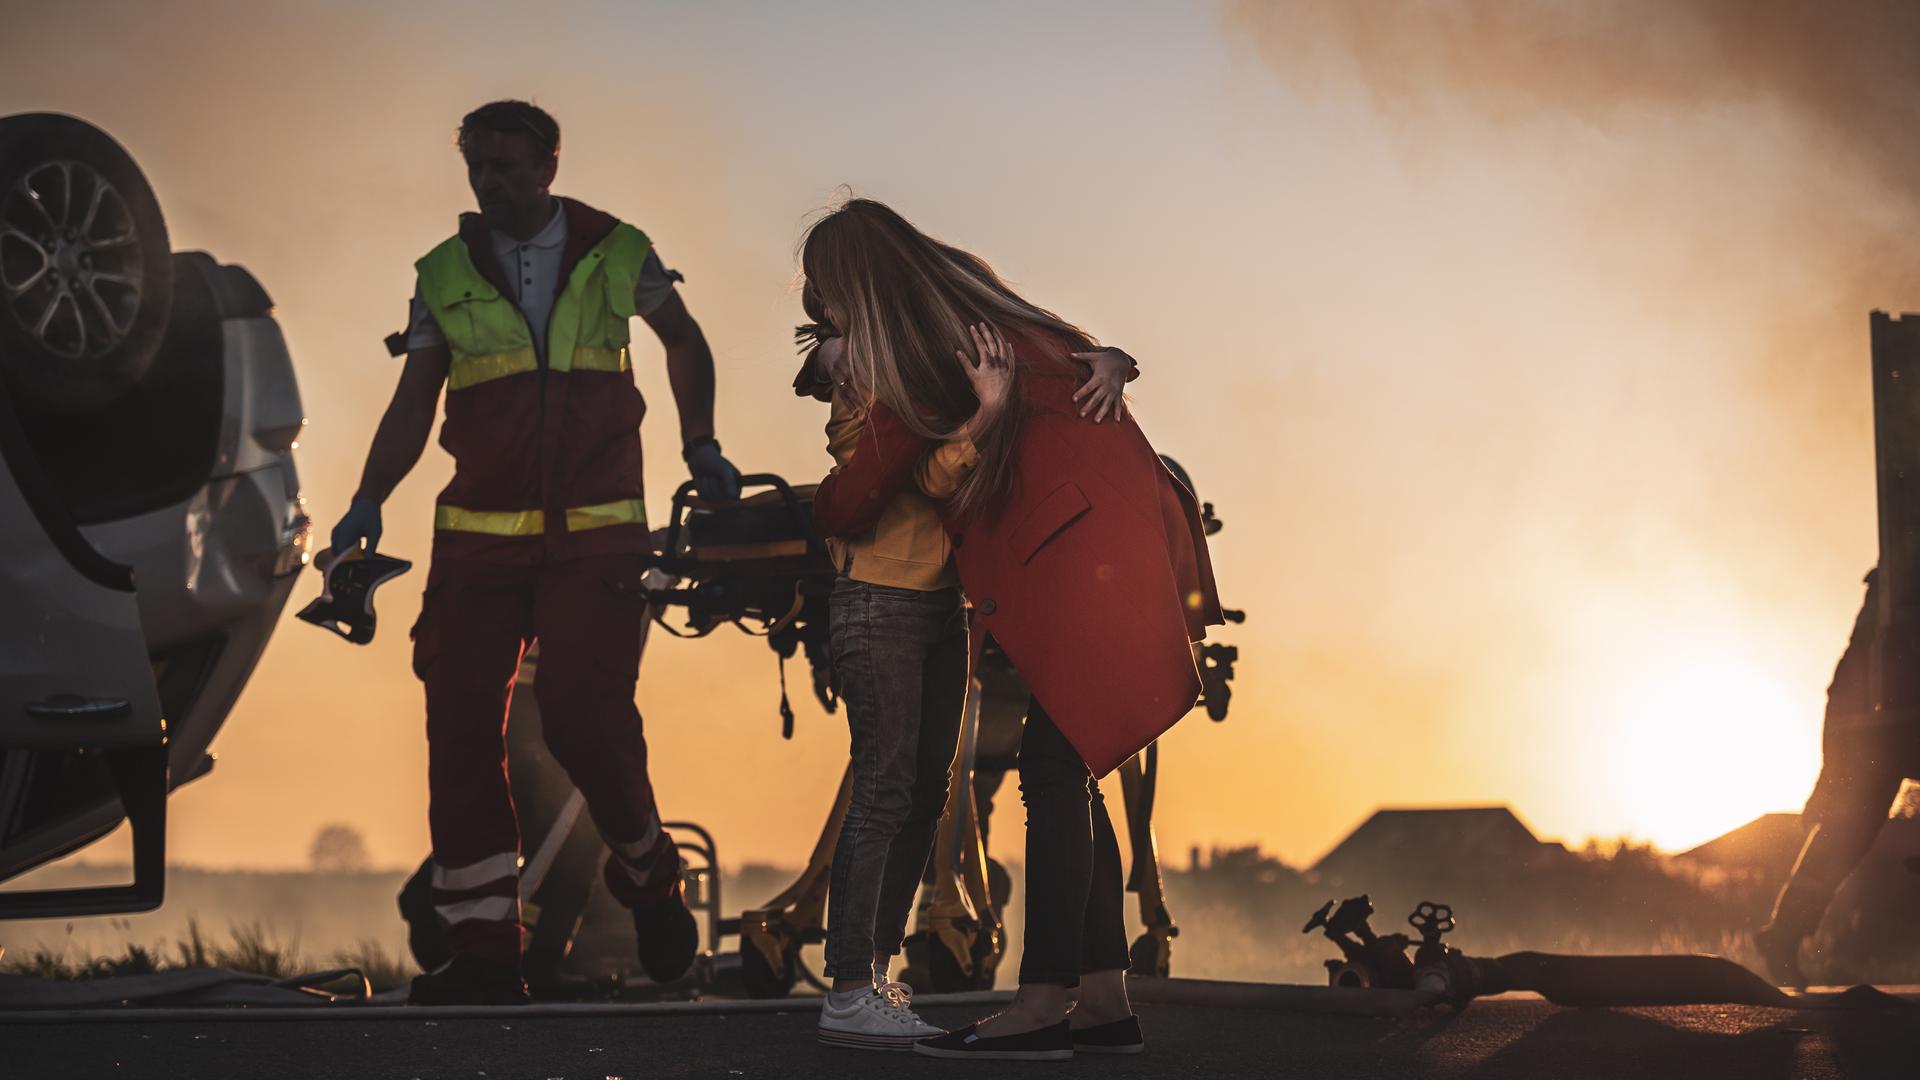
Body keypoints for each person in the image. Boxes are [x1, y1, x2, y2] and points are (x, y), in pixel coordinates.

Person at [330, 100, 742, 1005]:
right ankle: (483, 958)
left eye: (507, 168)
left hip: (596, 537)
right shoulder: (443, 273)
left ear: (550, 166)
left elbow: (684, 340)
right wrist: (366, 500)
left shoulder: (617, 249)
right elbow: (413, 401)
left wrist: (701, 444)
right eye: (476, 167)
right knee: (459, 727)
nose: (489, 184)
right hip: (476, 544)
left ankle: (648, 875)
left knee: (583, 721)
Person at [796, 198, 1221, 1061]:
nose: (818, 311)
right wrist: (1077, 373)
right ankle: (1082, 1001)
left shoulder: (936, 352)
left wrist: (1090, 368)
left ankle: (1041, 1006)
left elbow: (916, 466)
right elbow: (879, 483)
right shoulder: (958, 343)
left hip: (1018, 581)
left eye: (826, 293)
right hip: (1014, 576)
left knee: (1007, 781)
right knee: (1022, 775)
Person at [1755, 567, 1920, 985]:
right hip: (1881, 725)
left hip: (1882, 723)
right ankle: (1785, 933)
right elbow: (1845, 682)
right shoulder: (1890, 598)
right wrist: (1831, 773)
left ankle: (1785, 933)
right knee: (1847, 830)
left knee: (1847, 830)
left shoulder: (1890, 597)